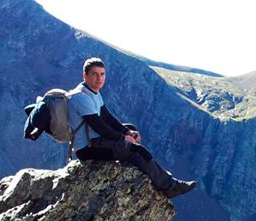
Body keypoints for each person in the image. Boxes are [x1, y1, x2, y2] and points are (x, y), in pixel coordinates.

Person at [68, 57, 196, 198]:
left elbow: (107, 117)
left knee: (130, 128)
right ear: (85, 75)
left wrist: (126, 131)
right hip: (88, 149)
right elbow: (99, 127)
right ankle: (170, 186)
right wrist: (123, 138)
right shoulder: (81, 97)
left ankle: (142, 165)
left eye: (102, 74)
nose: (99, 78)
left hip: (96, 140)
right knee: (137, 151)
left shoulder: (93, 92)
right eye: (94, 74)